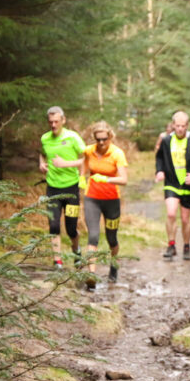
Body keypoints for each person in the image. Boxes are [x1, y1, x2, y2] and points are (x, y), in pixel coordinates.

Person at [56, 121, 128, 290]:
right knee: (93, 236)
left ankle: (114, 266)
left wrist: (107, 179)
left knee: (112, 238)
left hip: (112, 201)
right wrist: (80, 174)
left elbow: (124, 179)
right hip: (92, 198)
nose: (101, 143)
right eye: (98, 139)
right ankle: (92, 276)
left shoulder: (117, 154)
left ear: (110, 137)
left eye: (104, 139)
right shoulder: (90, 150)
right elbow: (82, 160)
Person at [155, 111, 190, 261]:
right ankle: (171, 245)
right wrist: (159, 171)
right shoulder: (166, 141)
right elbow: (159, 158)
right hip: (171, 182)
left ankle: (186, 245)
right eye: (177, 126)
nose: (180, 129)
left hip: (188, 184)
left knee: (185, 219)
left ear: (187, 126)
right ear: (173, 125)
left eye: (183, 126)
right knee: (171, 213)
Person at [39, 106, 86, 269]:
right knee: (53, 226)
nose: (53, 125)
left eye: (56, 121)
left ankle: (77, 251)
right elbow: (42, 152)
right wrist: (41, 163)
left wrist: (66, 164)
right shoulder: (45, 138)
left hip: (71, 189)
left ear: (63, 120)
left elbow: (86, 158)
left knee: (71, 228)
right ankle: (57, 261)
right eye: (50, 122)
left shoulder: (73, 137)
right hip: (52, 188)